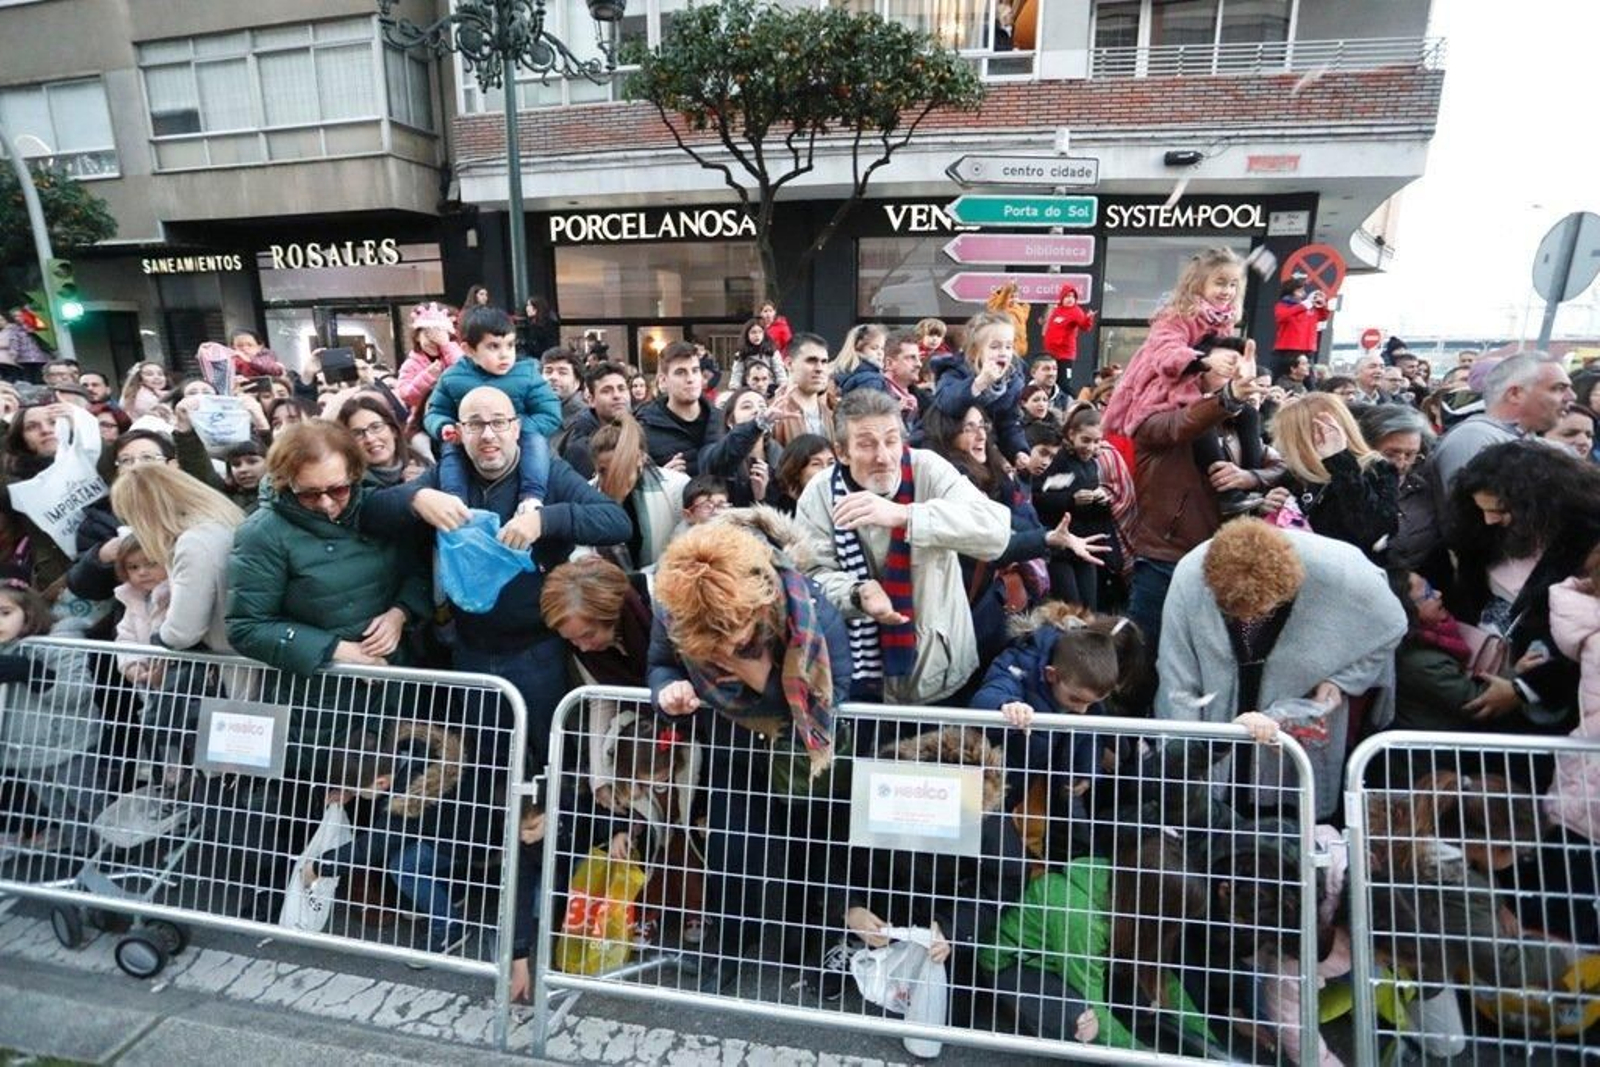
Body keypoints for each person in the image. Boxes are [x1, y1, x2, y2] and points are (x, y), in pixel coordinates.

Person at [365, 385, 629, 770]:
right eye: (475, 425)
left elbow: (615, 521)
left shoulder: (549, 473)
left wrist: (545, 520)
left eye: (498, 423)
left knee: (552, 756)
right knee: (489, 761)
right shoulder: (445, 477)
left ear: (516, 428)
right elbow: (371, 511)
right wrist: (415, 499)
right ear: (459, 432)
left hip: (537, 648)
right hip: (471, 648)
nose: (488, 434)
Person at [648, 520, 850, 990]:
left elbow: (833, 698)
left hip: (802, 757)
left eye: (733, 634)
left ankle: (807, 946)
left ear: (758, 605)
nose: (722, 649)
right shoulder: (673, 608)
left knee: (808, 853)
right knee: (731, 852)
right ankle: (727, 946)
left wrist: (757, 675)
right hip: (733, 747)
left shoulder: (807, 606)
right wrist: (668, 692)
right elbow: (659, 664)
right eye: (710, 643)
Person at [1156, 518, 1407, 818]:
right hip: (1217, 751)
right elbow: (1177, 676)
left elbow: (1391, 626)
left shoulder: (1342, 571)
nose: (1248, 620)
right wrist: (1183, 766)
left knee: (1293, 824)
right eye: (1237, 613)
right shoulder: (1190, 577)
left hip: (1294, 749)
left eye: (1261, 611)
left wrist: (1345, 680)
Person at [795, 388, 1012, 704]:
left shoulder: (928, 468)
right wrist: (856, 593)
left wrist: (907, 516)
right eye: (867, 444)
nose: (883, 456)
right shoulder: (819, 493)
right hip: (854, 674)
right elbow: (810, 574)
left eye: (891, 440)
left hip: (939, 667)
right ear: (842, 452)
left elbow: (996, 530)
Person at [226, 420, 432, 676]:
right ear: (286, 483)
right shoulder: (263, 533)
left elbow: (416, 574)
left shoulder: (375, 507)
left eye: (339, 489)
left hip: (395, 674)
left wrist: (400, 613)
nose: (326, 503)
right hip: (319, 687)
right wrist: (337, 650)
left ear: (354, 475)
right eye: (309, 494)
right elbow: (246, 627)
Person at [1121, 356, 1278, 655]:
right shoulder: (1155, 420)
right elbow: (1184, 423)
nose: (1237, 379)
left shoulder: (1240, 425)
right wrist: (1228, 398)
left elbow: (1281, 465)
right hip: (1166, 557)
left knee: (1208, 655)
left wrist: (1250, 478)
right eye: (1225, 371)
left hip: (1224, 556)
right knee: (1145, 654)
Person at [1447, 441, 1600, 735]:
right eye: (1482, 510)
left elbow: (1587, 634)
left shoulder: (1587, 539)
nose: (1490, 519)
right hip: (1497, 672)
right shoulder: (1483, 535)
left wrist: (1524, 689)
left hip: (1561, 697)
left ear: (1536, 503)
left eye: (1500, 510)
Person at [424, 306, 560, 519]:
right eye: (494, 346)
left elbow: (550, 413)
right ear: (468, 349)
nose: (505, 354)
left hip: (518, 442)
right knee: (450, 450)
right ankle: (455, 501)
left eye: (510, 345)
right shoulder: (452, 377)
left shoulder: (527, 373)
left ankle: (531, 497)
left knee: (536, 442)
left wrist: (515, 427)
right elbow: (435, 412)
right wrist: (444, 427)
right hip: (470, 441)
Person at [0, 580, 100, 853]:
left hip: (66, 743)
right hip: (21, 748)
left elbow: (77, 693)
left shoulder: (61, 639)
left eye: (5, 613)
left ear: (29, 612)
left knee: (89, 802)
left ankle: (112, 853)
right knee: (59, 809)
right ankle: (83, 854)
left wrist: (30, 672)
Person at [110, 464, 243, 653]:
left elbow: (183, 630)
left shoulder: (193, 543)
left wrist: (159, 640)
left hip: (228, 658)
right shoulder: (221, 524)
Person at [1266, 393, 1399, 561]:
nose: (1280, 446)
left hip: (1350, 570)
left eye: (1287, 438)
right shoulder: (1296, 474)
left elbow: (1374, 531)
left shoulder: (1375, 470)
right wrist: (1268, 504)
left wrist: (1340, 462)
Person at [1033, 405, 1137, 611]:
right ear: (1072, 435)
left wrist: (1101, 499)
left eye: (1096, 441)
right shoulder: (1059, 460)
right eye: (1086, 440)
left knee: (1089, 608)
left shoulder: (1092, 464)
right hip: (1060, 549)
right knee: (1071, 609)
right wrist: (1071, 500)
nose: (1090, 447)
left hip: (1085, 547)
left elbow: (1096, 514)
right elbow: (1040, 499)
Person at [930, 311, 1031, 471]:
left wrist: (1018, 451)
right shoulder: (956, 370)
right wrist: (979, 383)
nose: (1003, 352)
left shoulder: (1012, 382)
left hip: (984, 450)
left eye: (1008, 346)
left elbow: (1008, 423)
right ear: (975, 351)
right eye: (994, 347)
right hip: (950, 450)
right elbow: (947, 402)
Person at [588, 414, 691, 571]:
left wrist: (644, 579)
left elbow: (684, 548)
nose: (612, 478)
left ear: (640, 459)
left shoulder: (676, 487)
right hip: (606, 583)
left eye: (620, 468)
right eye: (603, 471)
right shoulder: (587, 495)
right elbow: (579, 547)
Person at [1356, 404, 1438, 573]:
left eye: (1410, 455)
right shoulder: (1352, 491)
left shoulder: (1424, 488)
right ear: (1367, 447)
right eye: (1390, 454)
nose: (1401, 464)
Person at [635, 342, 725, 477]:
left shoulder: (721, 421)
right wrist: (661, 480)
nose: (690, 379)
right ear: (663, 381)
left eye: (695, 370)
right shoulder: (644, 430)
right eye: (680, 372)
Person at [699, 387, 779, 507]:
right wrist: (757, 424)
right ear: (730, 421)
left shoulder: (780, 458)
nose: (757, 411)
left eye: (762, 407)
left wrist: (761, 498)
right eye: (747, 407)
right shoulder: (716, 454)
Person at [554, 361, 632, 479]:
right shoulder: (580, 450)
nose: (617, 395)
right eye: (606, 391)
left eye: (622, 389)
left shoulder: (639, 434)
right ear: (591, 400)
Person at [767, 334, 835, 449]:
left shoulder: (832, 414)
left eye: (824, 362)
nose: (819, 368)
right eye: (811, 361)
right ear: (789, 364)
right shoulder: (770, 413)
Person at [394, 303, 462, 411]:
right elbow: (406, 395)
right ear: (417, 336)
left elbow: (464, 371)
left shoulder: (454, 353)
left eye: (439, 335)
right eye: (428, 335)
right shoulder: (411, 364)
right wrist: (428, 376)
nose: (434, 341)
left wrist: (446, 345)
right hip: (424, 415)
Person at [337, 395, 414, 488]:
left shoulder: (421, 465)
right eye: (357, 433)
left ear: (393, 430)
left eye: (376, 427)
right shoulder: (348, 488)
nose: (370, 439)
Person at [1270, 277, 1329, 380]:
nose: (1303, 293)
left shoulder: (1309, 307)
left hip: (1307, 349)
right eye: (1299, 290)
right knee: (1276, 377)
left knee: (1310, 381)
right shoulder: (1283, 305)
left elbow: (1323, 317)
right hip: (1287, 349)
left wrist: (1323, 304)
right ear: (1291, 291)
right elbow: (1281, 316)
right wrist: (1302, 306)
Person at [771, 433, 833, 515]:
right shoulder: (779, 509)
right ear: (797, 470)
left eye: (831, 463)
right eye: (816, 464)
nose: (826, 469)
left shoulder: (842, 500)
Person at [1041, 282, 1095, 372]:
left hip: (1065, 354)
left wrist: (1089, 318)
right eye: (1067, 296)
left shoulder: (1076, 311)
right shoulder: (1057, 310)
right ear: (1062, 298)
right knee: (1052, 378)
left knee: (1065, 378)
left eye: (1073, 297)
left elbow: (1084, 327)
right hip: (1051, 353)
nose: (1070, 299)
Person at [831, 324, 889, 397]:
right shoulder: (871, 379)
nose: (880, 353)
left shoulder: (843, 372)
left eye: (882, 348)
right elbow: (869, 404)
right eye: (874, 348)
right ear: (859, 348)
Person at [727, 319, 784, 390]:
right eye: (753, 332)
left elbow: (779, 371)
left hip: (769, 387)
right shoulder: (741, 353)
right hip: (749, 388)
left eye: (760, 332)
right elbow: (737, 373)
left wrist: (783, 385)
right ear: (747, 335)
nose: (757, 335)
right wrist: (734, 388)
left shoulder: (772, 351)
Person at [540, 347, 587, 428]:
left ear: (577, 382)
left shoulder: (585, 420)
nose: (553, 377)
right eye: (548, 372)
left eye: (562, 372)